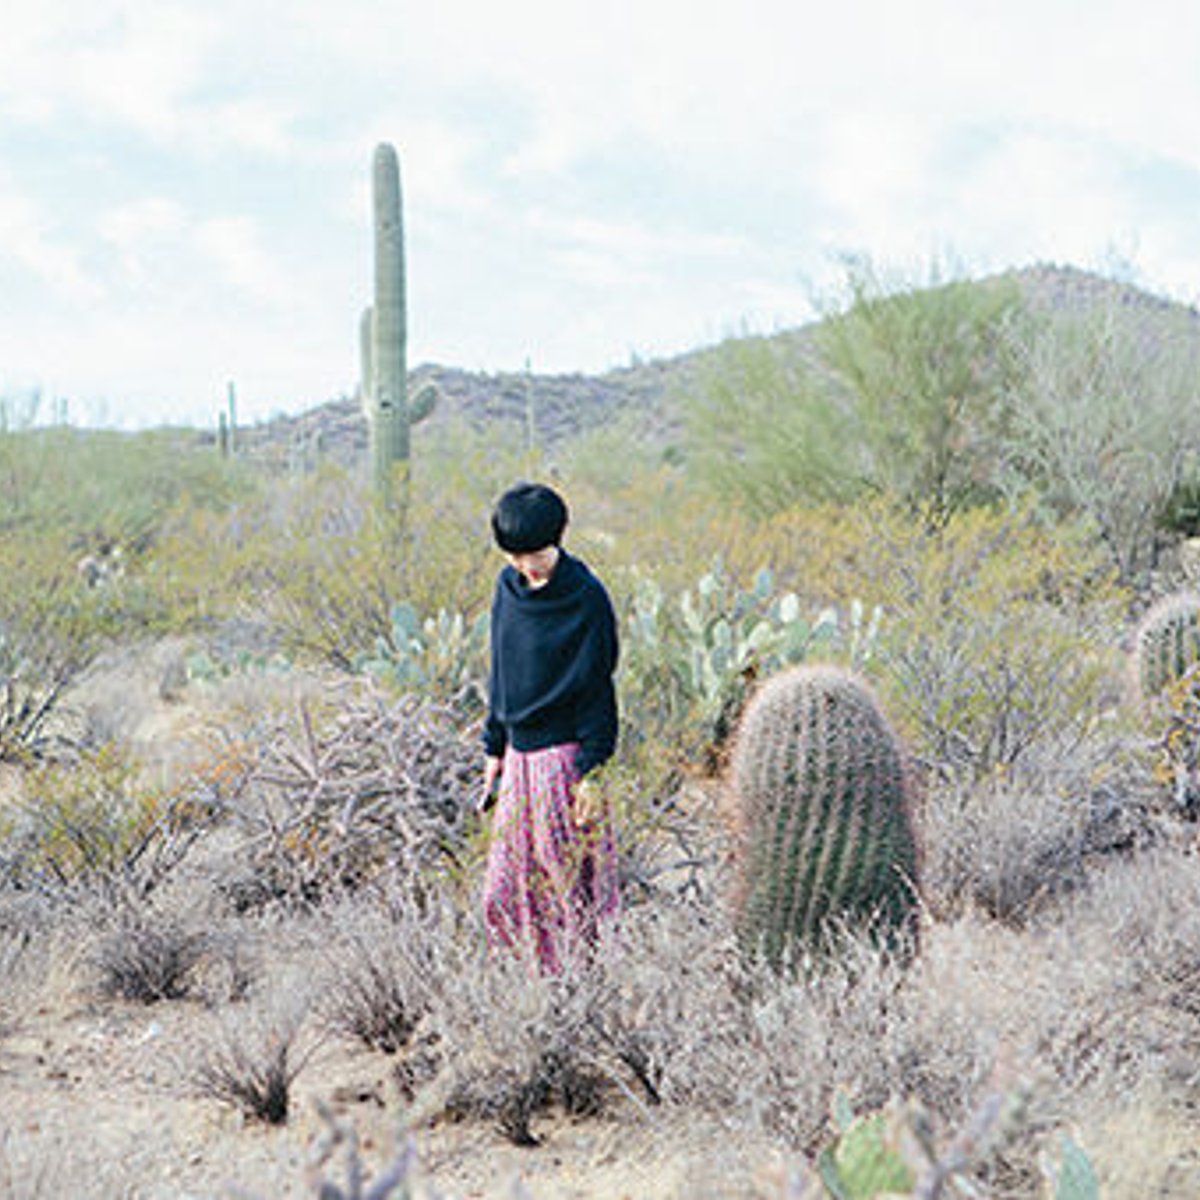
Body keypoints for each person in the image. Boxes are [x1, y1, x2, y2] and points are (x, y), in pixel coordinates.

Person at [478, 481, 620, 973]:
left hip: (563, 759)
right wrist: (494, 747)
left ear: (557, 538)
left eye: (533, 554)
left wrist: (591, 771)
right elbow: (500, 668)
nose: (525, 566)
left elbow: (599, 688)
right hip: (518, 760)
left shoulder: (585, 597)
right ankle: (524, 989)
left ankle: (576, 993)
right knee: (501, 892)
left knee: (566, 893)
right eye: (515, 556)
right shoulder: (508, 588)